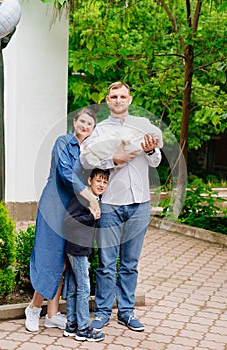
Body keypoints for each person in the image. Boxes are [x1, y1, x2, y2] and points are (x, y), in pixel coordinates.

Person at [73, 82, 162, 332]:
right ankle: (102, 312)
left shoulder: (143, 127)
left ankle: (126, 312)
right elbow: (87, 160)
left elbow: (155, 162)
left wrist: (151, 149)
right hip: (111, 203)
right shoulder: (100, 130)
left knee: (130, 263)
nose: (119, 100)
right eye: (114, 96)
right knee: (107, 263)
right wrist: (113, 159)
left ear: (130, 99)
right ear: (108, 100)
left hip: (140, 202)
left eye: (123, 96)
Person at [25, 108, 99, 332]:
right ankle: (33, 308)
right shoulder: (63, 142)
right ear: (74, 122)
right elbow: (65, 174)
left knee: (65, 260)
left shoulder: (87, 150)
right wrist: (91, 198)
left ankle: (52, 314)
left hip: (73, 209)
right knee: (50, 257)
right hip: (54, 205)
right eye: (82, 121)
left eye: (90, 124)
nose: (85, 126)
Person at [63, 168, 110, 342]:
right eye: (98, 180)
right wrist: (90, 217)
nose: (101, 184)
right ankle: (83, 328)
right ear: (90, 180)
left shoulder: (96, 200)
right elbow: (67, 221)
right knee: (84, 287)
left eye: (105, 182)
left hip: (81, 248)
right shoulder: (82, 198)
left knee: (76, 286)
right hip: (77, 248)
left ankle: (72, 324)